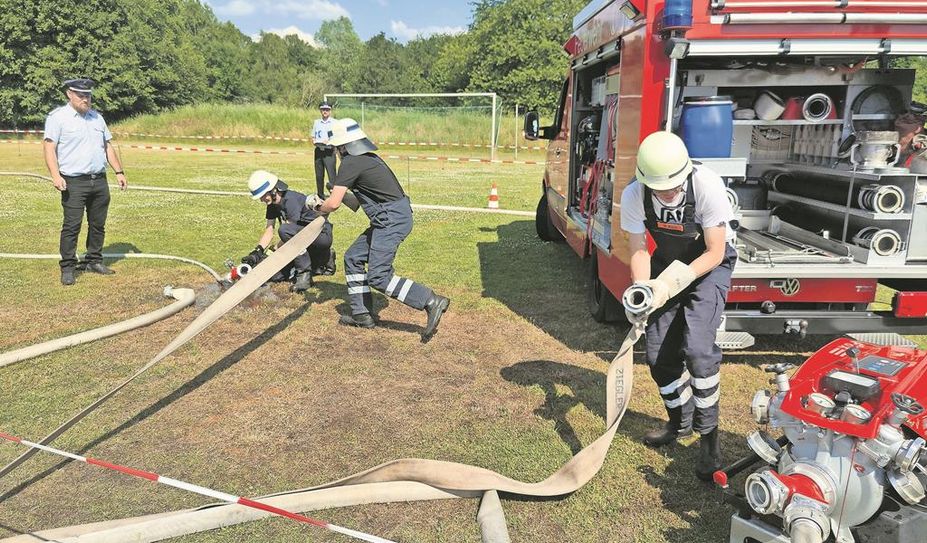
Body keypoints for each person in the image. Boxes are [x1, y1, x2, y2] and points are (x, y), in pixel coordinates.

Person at [619, 131, 737, 481]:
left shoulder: (707, 186)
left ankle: (709, 440)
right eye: (658, 188)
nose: (666, 194)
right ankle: (678, 423)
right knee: (658, 356)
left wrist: (673, 283)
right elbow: (639, 248)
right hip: (665, 266)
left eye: (671, 186)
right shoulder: (634, 193)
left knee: (699, 351)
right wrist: (643, 290)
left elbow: (715, 251)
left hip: (708, 267)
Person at [312, 118, 449, 340]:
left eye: (337, 148)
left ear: (342, 146)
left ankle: (430, 300)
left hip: (391, 220)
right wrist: (336, 191)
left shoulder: (351, 162)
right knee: (353, 257)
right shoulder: (367, 159)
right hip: (391, 216)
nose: (336, 152)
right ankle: (362, 315)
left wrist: (319, 206)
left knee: (378, 276)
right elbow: (356, 203)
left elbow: (333, 204)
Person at [43, 78, 127, 286]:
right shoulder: (58, 118)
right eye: (81, 95)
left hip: (98, 180)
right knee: (72, 225)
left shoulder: (97, 118)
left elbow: (107, 146)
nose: (85, 99)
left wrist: (119, 171)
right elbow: (49, 148)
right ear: (69, 94)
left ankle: (93, 260)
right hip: (73, 181)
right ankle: (68, 267)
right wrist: (55, 175)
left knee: (98, 224)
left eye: (88, 95)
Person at [245, 170, 334, 292]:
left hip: (321, 235)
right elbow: (269, 230)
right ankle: (322, 259)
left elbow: (291, 235)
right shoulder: (272, 205)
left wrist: (271, 253)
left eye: (263, 195)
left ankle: (305, 275)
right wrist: (257, 252)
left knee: (285, 230)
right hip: (303, 241)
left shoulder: (291, 200)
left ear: (273, 190)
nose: (261, 200)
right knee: (276, 276)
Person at [311, 100, 337, 198]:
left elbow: (337, 136)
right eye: (323, 110)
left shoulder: (334, 122)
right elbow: (313, 135)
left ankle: (334, 194)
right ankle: (320, 194)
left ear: (330, 111)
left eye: (326, 110)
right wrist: (314, 140)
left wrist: (330, 141)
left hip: (329, 151)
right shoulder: (316, 122)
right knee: (319, 174)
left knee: (332, 174)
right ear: (320, 111)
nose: (325, 111)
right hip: (318, 150)